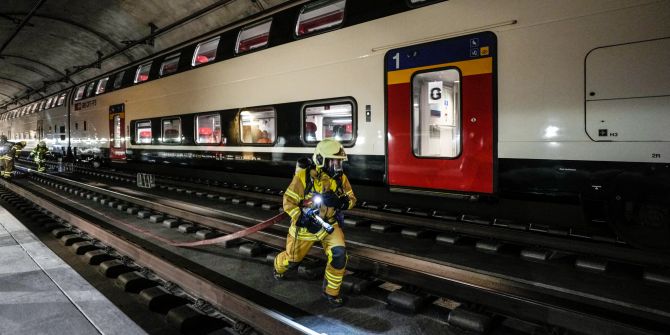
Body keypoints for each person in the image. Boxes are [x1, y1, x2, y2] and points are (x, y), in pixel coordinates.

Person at [273, 139, 356, 307]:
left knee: (339, 255)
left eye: (339, 162)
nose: (337, 166)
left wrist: (341, 203)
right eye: (333, 161)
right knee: (292, 261)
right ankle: (278, 267)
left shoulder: (340, 178)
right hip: (305, 228)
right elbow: (288, 201)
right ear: (320, 160)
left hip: (329, 225)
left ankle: (331, 293)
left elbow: (352, 199)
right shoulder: (303, 177)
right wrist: (301, 218)